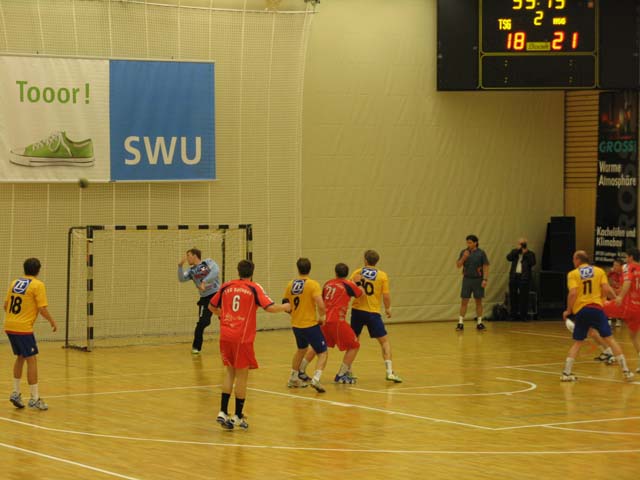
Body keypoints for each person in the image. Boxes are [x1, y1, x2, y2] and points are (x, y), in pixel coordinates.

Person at [208, 259, 291, 430]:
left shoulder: (226, 286)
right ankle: (237, 416)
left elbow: (211, 306)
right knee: (242, 376)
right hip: (242, 338)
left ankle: (223, 412)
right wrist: (285, 307)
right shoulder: (254, 287)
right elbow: (269, 307)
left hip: (225, 335)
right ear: (252, 272)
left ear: (238, 271)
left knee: (229, 372)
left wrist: (223, 314)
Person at [560, 250, 633, 382]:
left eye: (573, 259)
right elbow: (606, 289)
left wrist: (568, 310)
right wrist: (616, 298)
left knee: (578, 343)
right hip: (597, 309)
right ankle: (626, 371)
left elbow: (573, 293)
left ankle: (566, 373)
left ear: (578, 260)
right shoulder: (599, 271)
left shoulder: (573, 274)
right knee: (610, 339)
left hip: (582, 310)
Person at [4, 258, 57, 411]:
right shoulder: (37, 285)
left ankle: (16, 392)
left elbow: (6, 306)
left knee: (20, 357)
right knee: (32, 360)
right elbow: (42, 308)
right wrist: (52, 321)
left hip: (9, 325)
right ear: (38, 270)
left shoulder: (14, 283)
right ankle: (34, 399)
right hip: (23, 328)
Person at [298, 263, 363, 384]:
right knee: (354, 345)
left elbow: (322, 300)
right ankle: (341, 374)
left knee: (317, 345)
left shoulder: (328, 284)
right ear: (347, 273)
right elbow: (360, 293)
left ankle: (301, 370)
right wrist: (358, 282)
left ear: (335, 272)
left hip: (324, 320)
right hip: (337, 320)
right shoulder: (348, 284)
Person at [350, 250, 402, 383]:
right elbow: (386, 295)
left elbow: (350, 289)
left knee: (354, 341)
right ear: (376, 261)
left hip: (357, 311)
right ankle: (389, 372)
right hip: (372, 312)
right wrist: (388, 308)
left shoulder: (357, 272)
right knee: (384, 342)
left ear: (365, 260)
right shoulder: (382, 275)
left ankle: (346, 370)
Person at [283, 258, 328, 393]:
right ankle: (316, 379)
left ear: (298, 269)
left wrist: (294, 314)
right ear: (310, 268)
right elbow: (320, 304)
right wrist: (322, 316)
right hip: (310, 324)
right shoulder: (313, 284)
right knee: (323, 352)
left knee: (301, 349)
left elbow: (285, 304)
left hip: (296, 325)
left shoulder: (290, 284)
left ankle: (293, 377)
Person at [178, 248, 220, 354]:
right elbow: (182, 279)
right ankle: (196, 347)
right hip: (205, 298)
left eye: (188, 255)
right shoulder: (191, 271)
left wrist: (204, 282)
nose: (187, 258)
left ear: (195, 255)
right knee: (202, 323)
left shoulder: (208, 262)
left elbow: (215, 271)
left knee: (226, 318)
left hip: (217, 295)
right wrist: (180, 266)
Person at [607, 247, 640, 372]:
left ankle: (607, 350)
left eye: (626, 256)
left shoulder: (628, 267)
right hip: (638, 308)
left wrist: (620, 296)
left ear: (630, 257)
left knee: (599, 308)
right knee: (633, 336)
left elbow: (628, 282)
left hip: (628, 305)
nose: (625, 259)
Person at [456, 235, 490, 331]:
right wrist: (464, 257)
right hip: (467, 279)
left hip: (478, 280)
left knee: (478, 301)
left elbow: (486, 266)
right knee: (464, 301)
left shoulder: (481, 253)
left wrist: (485, 279)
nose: (468, 244)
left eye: (470, 242)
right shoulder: (464, 252)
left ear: (475, 243)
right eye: (467, 242)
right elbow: (458, 265)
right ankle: (460, 323)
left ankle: (479, 323)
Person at [506, 237, 536, 321]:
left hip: (524, 277)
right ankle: (513, 315)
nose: (521, 245)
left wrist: (525, 254)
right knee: (513, 296)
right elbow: (508, 258)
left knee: (524, 297)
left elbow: (533, 262)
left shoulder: (530, 253)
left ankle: (524, 316)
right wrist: (517, 251)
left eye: (523, 244)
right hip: (514, 277)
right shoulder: (514, 252)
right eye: (520, 244)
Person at [607, 257, 624, 327]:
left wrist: (617, 291)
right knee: (608, 296)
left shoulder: (624, 274)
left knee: (618, 298)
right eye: (613, 265)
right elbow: (605, 280)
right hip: (613, 291)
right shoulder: (611, 272)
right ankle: (609, 318)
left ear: (621, 266)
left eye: (616, 265)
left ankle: (618, 319)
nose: (614, 267)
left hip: (620, 292)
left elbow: (623, 287)